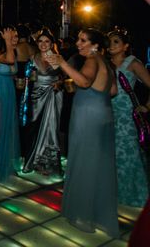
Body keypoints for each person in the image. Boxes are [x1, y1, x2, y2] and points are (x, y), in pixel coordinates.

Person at [47, 29, 119, 237]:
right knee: (99, 163)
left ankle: (83, 214)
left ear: (95, 44)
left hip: (88, 116)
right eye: (79, 39)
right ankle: (97, 212)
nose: (78, 43)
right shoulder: (105, 62)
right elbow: (113, 91)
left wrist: (62, 62)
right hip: (103, 113)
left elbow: (85, 82)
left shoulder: (92, 59)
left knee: (85, 161)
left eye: (83, 40)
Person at [107, 29, 150, 207]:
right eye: (109, 41)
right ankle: (111, 193)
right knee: (110, 154)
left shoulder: (132, 63)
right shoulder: (105, 63)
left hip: (126, 116)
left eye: (116, 41)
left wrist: (147, 107)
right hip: (107, 113)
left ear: (125, 46)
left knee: (128, 154)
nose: (111, 45)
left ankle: (133, 195)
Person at [21, 29, 63, 176]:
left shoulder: (56, 58)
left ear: (52, 43)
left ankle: (47, 162)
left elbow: (62, 77)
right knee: (33, 126)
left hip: (53, 94)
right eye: (40, 41)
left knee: (51, 127)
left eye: (46, 41)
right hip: (36, 95)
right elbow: (28, 78)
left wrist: (59, 83)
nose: (43, 44)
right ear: (37, 43)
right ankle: (32, 161)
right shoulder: (32, 57)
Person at [0, 27, 20, 183]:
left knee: (6, 129)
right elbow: (10, 62)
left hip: (8, 93)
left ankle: (4, 164)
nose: (15, 39)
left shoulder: (12, 51)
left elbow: (13, 68)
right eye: (11, 36)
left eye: (15, 36)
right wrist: (8, 43)